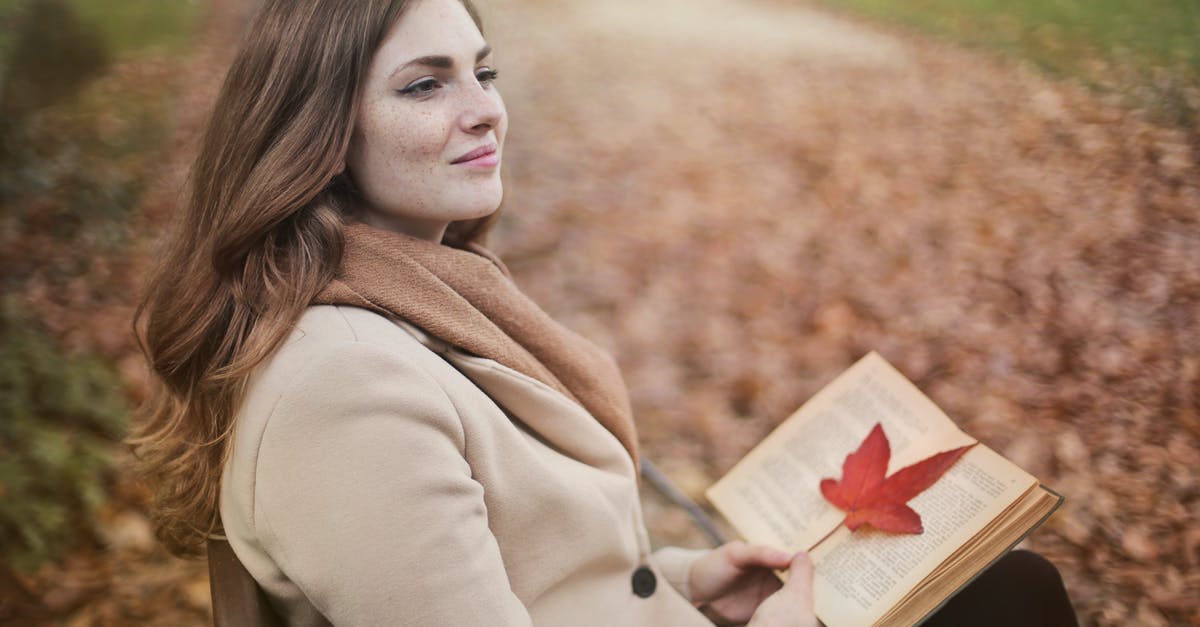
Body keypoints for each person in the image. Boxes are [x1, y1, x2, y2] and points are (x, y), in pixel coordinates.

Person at [132, 0, 1076, 625]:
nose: (484, 110)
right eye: (426, 84)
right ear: (319, 136)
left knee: (1003, 587)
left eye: (483, 72)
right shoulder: (340, 391)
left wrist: (677, 582)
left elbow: (529, 574)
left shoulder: (417, 293)